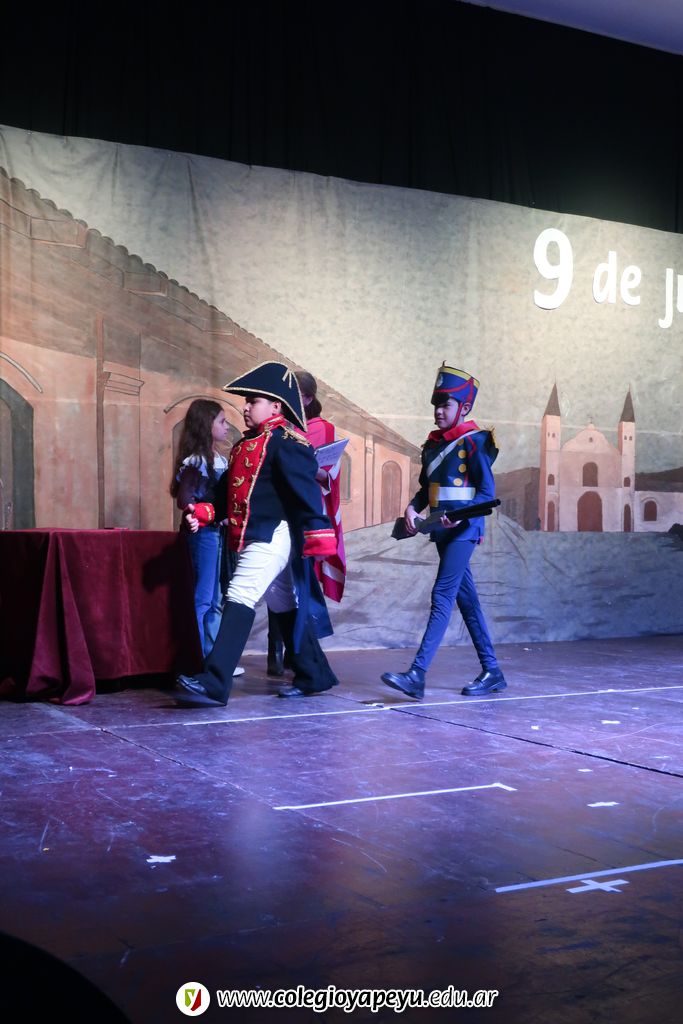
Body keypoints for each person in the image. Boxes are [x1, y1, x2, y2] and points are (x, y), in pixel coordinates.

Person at [173, 361, 340, 707]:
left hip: (274, 534)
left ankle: (215, 682)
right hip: (254, 535)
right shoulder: (244, 445)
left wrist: (318, 530)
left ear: (276, 406)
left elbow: (305, 491)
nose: (246, 407)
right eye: (246, 401)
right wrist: (204, 512)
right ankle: (314, 673)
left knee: (239, 593)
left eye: (253, 401)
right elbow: (224, 494)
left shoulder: (288, 442)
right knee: (283, 602)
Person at [381, 363, 507, 700]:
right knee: (467, 601)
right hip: (440, 529)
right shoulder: (433, 445)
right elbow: (427, 489)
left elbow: (486, 493)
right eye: (436, 404)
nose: (438, 411)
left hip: (463, 530)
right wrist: (412, 508)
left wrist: (461, 519)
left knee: (442, 595)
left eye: (446, 404)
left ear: (464, 408)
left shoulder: (475, 441)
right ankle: (492, 671)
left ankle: (417, 674)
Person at [266, 370, 347, 675]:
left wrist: (302, 465)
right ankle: (277, 649)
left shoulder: (321, 428)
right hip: (278, 510)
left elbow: (325, 472)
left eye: (294, 393)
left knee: (300, 582)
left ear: (308, 398)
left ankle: (298, 653)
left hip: (303, 512)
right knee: (277, 580)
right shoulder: (279, 426)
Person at [170, 400, 232, 658]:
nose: (226, 427)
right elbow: (184, 499)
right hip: (203, 535)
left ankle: (211, 657)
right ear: (206, 425)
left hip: (216, 532)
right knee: (203, 598)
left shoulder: (219, 459)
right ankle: (193, 658)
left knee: (215, 599)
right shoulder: (197, 461)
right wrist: (200, 513)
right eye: (222, 421)